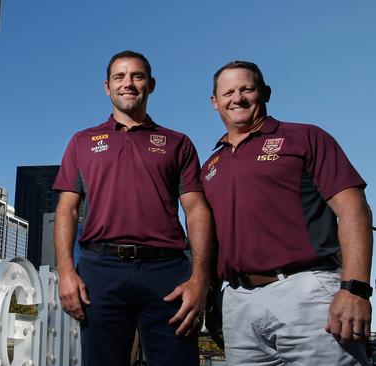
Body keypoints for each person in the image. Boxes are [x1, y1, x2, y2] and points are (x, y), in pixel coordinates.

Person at [201, 60, 373, 365]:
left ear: (265, 92)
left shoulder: (306, 137)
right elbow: (213, 241)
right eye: (227, 92)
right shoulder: (211, 167)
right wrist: (212, 299)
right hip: (238, 302)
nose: (237, 98)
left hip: (304, 291)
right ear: (215, 103)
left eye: (246, 89)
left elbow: (354, 210)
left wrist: (355, 290)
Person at [53, 50, 213, 366]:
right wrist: (66, 272)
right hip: (101, 270)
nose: (128, 83)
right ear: (106, 87)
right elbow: (67, 210)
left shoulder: (177, 142)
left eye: (137, 76)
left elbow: (196, 211)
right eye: (120, 77)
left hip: (166, 272)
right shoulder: (82, 141)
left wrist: (200, 279)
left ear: (151, 84)